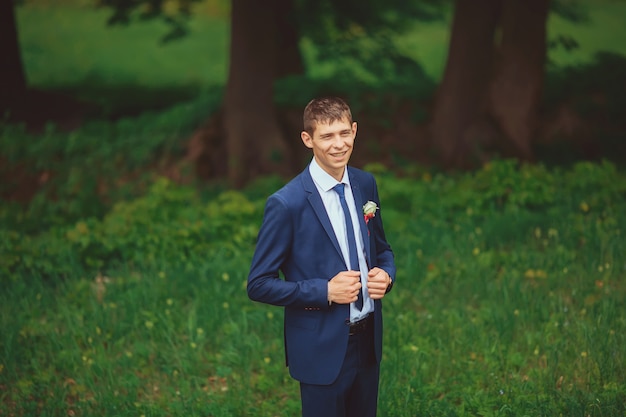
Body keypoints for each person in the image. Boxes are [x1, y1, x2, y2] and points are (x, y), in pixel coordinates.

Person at [247, 96, 396, 417]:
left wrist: (387, 274)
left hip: (368, 340)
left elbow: (382, 250)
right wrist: (325, 291)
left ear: (355, 131)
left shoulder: (365, 184)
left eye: (344, 133)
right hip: (319, 348)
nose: (338, 144)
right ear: (308, 139)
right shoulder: (287, 204)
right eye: (327, 136)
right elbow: (258, 284)